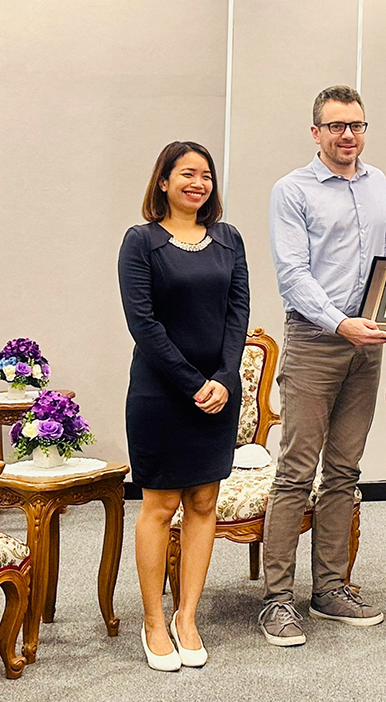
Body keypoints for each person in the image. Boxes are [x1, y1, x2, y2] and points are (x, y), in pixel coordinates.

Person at [260, 85, 386, 646]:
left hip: (367, 341)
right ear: (317, 132)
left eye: (357, 125)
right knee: (296, 471)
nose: (349, 135)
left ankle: (329, 588)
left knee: (345, 469)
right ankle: (277, 600)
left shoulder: (378, 182)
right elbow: (292, 274)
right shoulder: (291, 190)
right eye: (337, 126)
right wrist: (339, 323)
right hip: (316, 338)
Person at [118, 141, 250, 671]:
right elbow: (142, 322)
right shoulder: (141, 241)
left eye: (206, 175)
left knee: (202, 506)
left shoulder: (229, 239)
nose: (198, 183)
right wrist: (192, 382)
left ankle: (187, 616)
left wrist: (223, 378)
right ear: (164, 182)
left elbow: (237, 314)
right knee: (160, 506)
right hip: (161, 392)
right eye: (187, 174)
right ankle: (154, 620)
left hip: (218, 394)